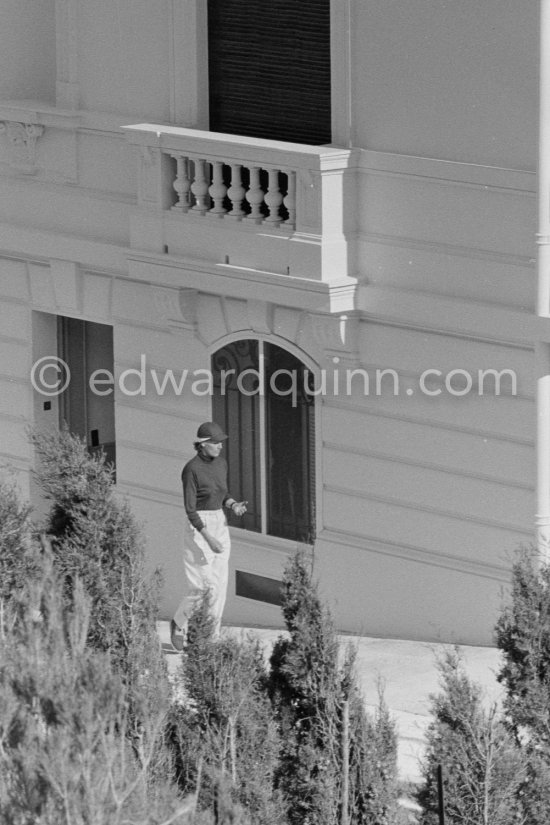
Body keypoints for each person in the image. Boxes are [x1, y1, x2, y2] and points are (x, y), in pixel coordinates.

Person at [170, 421, 247, 650]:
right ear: (202, 444)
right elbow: (190, 509)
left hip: (219, 522)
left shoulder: (221, 464)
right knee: (203, 587)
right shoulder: (191, 470)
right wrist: (208, 537)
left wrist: (233, 505)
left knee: (219, 585)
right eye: (215, 443)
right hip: (199, 528)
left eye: (221, 442)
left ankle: (210, 638)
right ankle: (178, 622)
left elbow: (221, 493)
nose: (220, 447)